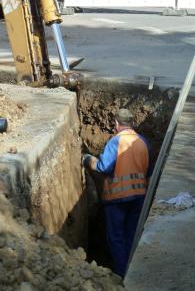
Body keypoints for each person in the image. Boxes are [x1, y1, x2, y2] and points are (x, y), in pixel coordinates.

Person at [82, 108, 150, 277]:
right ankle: (133, 271)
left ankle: (120, 275)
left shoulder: (116, 141)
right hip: (139, 197)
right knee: (131, 235)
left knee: (116, 238)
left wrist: (87, 159)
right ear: (132, 123)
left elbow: (103, 167)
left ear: (117, 124)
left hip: (117, 199)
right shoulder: (143, 142)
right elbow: (147, 170)